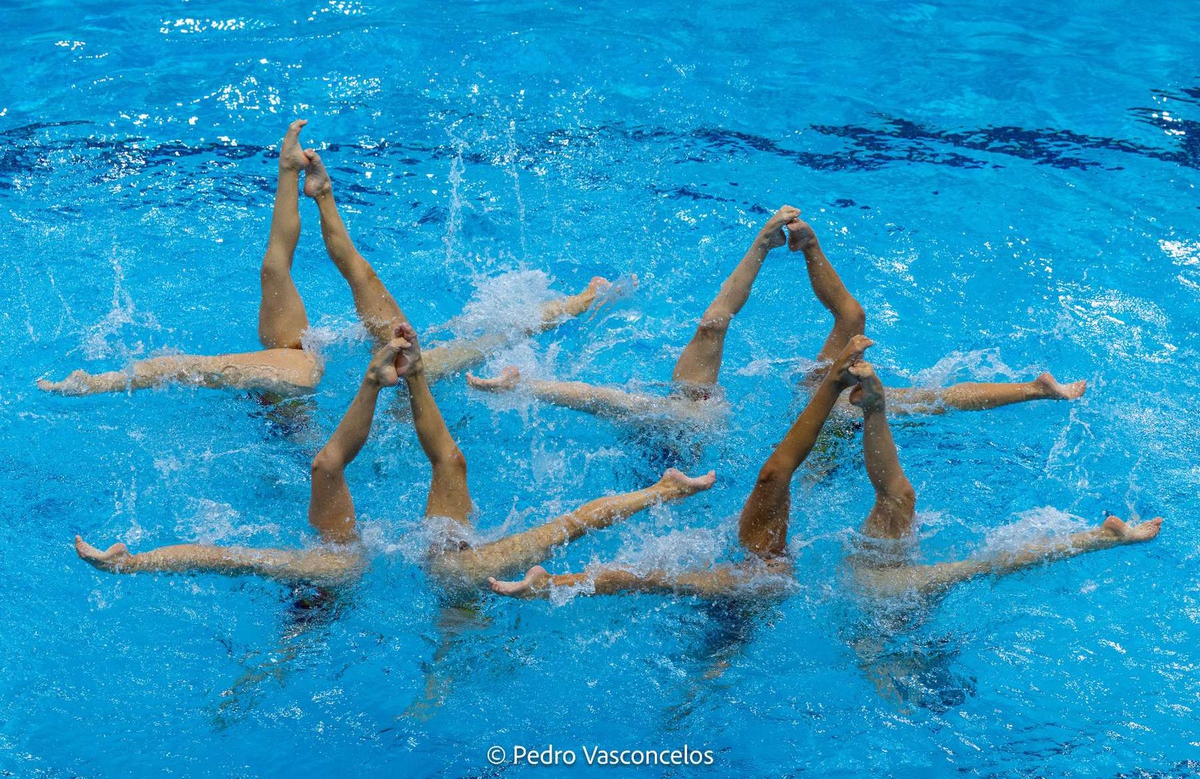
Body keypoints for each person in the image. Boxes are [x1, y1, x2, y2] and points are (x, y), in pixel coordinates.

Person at [487, 339, 1159, 600]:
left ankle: (563, 578)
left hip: (810, 537)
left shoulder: (763, 571)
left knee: (869, 490)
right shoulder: (784, 574)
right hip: (826, 555)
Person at [74, 324, 716, 591]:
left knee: (341, 476)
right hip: (425, 573)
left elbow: (227, 554)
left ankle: (137, 565)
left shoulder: (418, 568)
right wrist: (396, 380)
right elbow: (572, 522)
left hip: (430, 581)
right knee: (349, 470)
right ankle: (664, 490)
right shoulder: (433, 563)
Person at [38, 120, 606, 397]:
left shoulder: (425, 371)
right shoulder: (331, 368)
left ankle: (314, 190)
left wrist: (580, 303)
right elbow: (354, 270)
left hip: (324, 403)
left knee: (325, 347)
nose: (402, 338)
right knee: (305, 309)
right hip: (297, 413)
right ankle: (296, 178)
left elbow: (507, 332)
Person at [467, 208, 1087, 421]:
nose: (862, 354)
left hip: (805, 438)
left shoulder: (850, 404)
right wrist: (778, 245)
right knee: (689, 367)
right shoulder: (705, 407)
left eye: (856, 359)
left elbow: (942, 394)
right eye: (855, 357)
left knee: (917, 399)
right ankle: (526, 385)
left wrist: (813, 247)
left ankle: (1034, 389)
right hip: (694, 431)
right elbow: (845, 313)